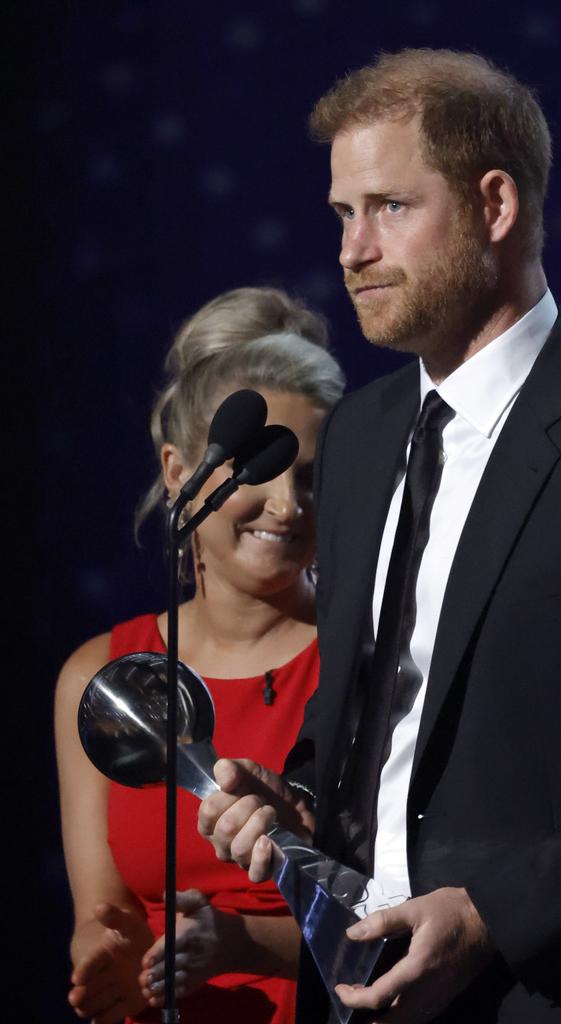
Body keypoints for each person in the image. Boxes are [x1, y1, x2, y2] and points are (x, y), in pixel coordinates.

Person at [198, 50, 561, 1023]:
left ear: (494, 206)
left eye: (388, 207)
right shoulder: (365, 434)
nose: (351, 250)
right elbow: (377, 714)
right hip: (360, 990)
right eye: (342, 214)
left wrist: (495, 914)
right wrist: (303, 804)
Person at [55, 285, 345, 1024]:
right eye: (259, 469)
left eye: (310, 476)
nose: (287, 504)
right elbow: (103, 909)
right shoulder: (101, 675)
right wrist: (101, 953)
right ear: (180, 470)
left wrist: (244, 941)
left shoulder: (366, 658)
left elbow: (397, 916)